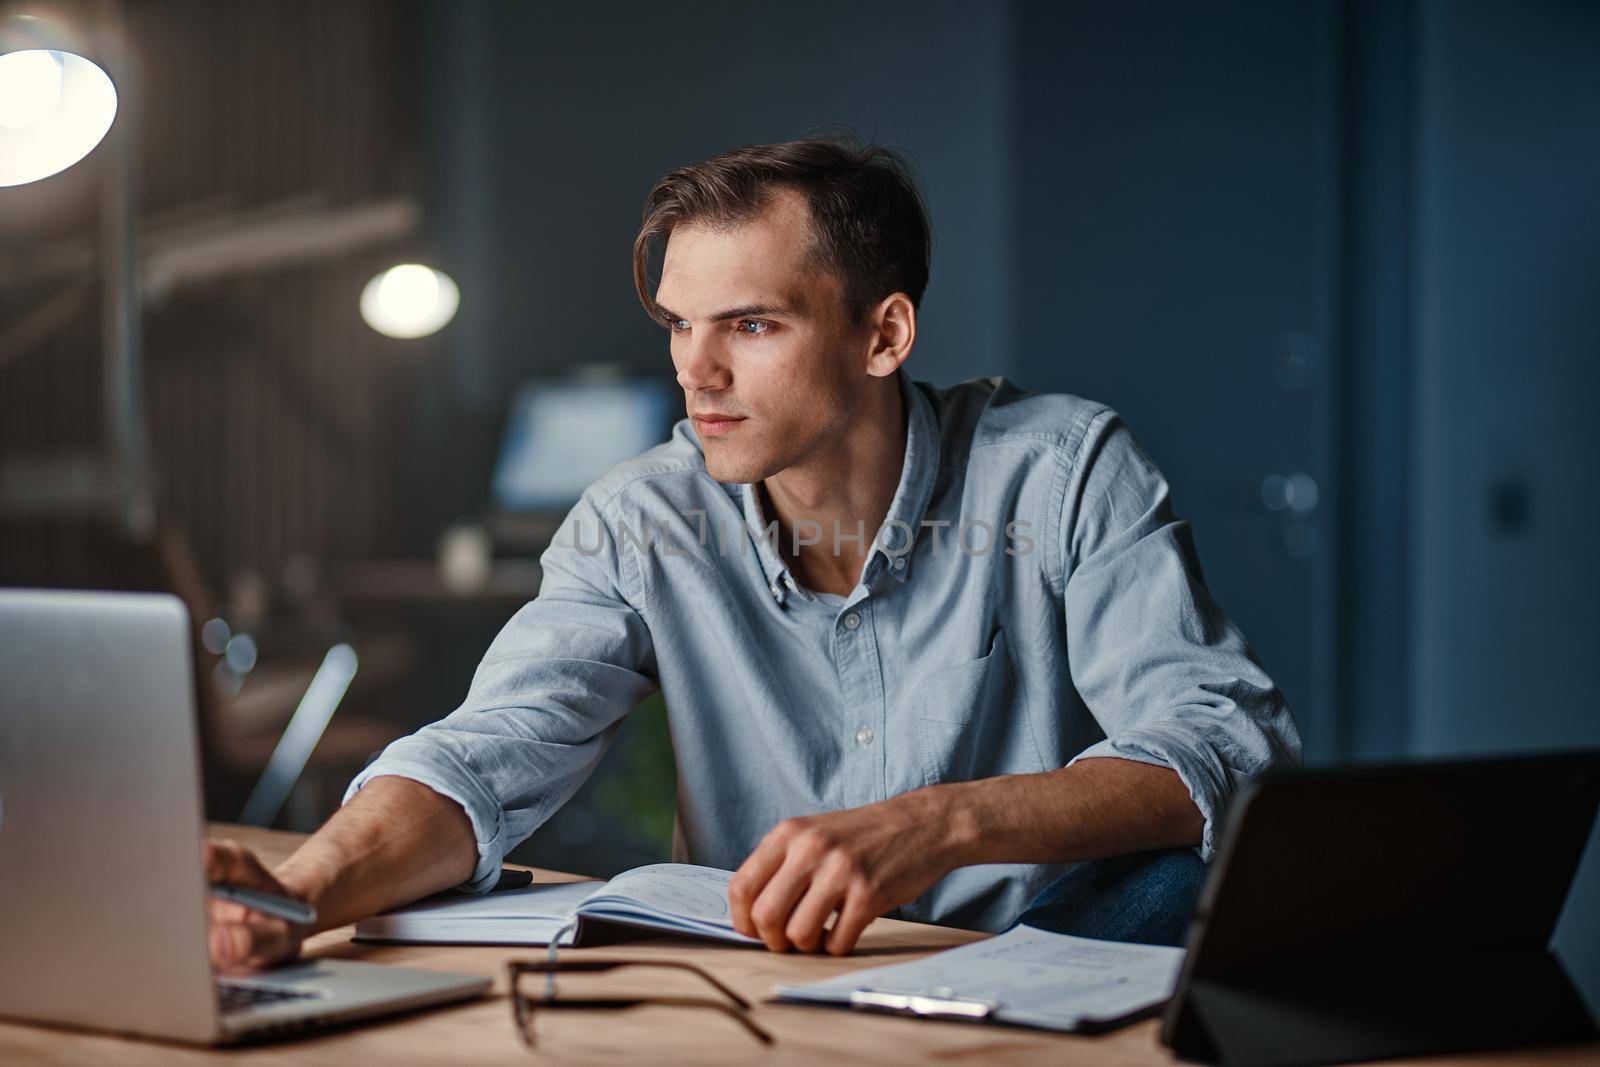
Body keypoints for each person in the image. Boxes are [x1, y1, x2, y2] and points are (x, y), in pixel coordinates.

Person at [204, 135, 1301, 971]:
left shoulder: (1061, 469)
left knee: (1172, 882)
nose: (696, 370)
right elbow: (485, 751)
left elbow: (1224, 737)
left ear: (884, 334)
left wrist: (936, 823)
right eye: (679, 324)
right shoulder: (641, 516)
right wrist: (299, 888)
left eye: (751, 325)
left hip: (1040, 969)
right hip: (775, 981)